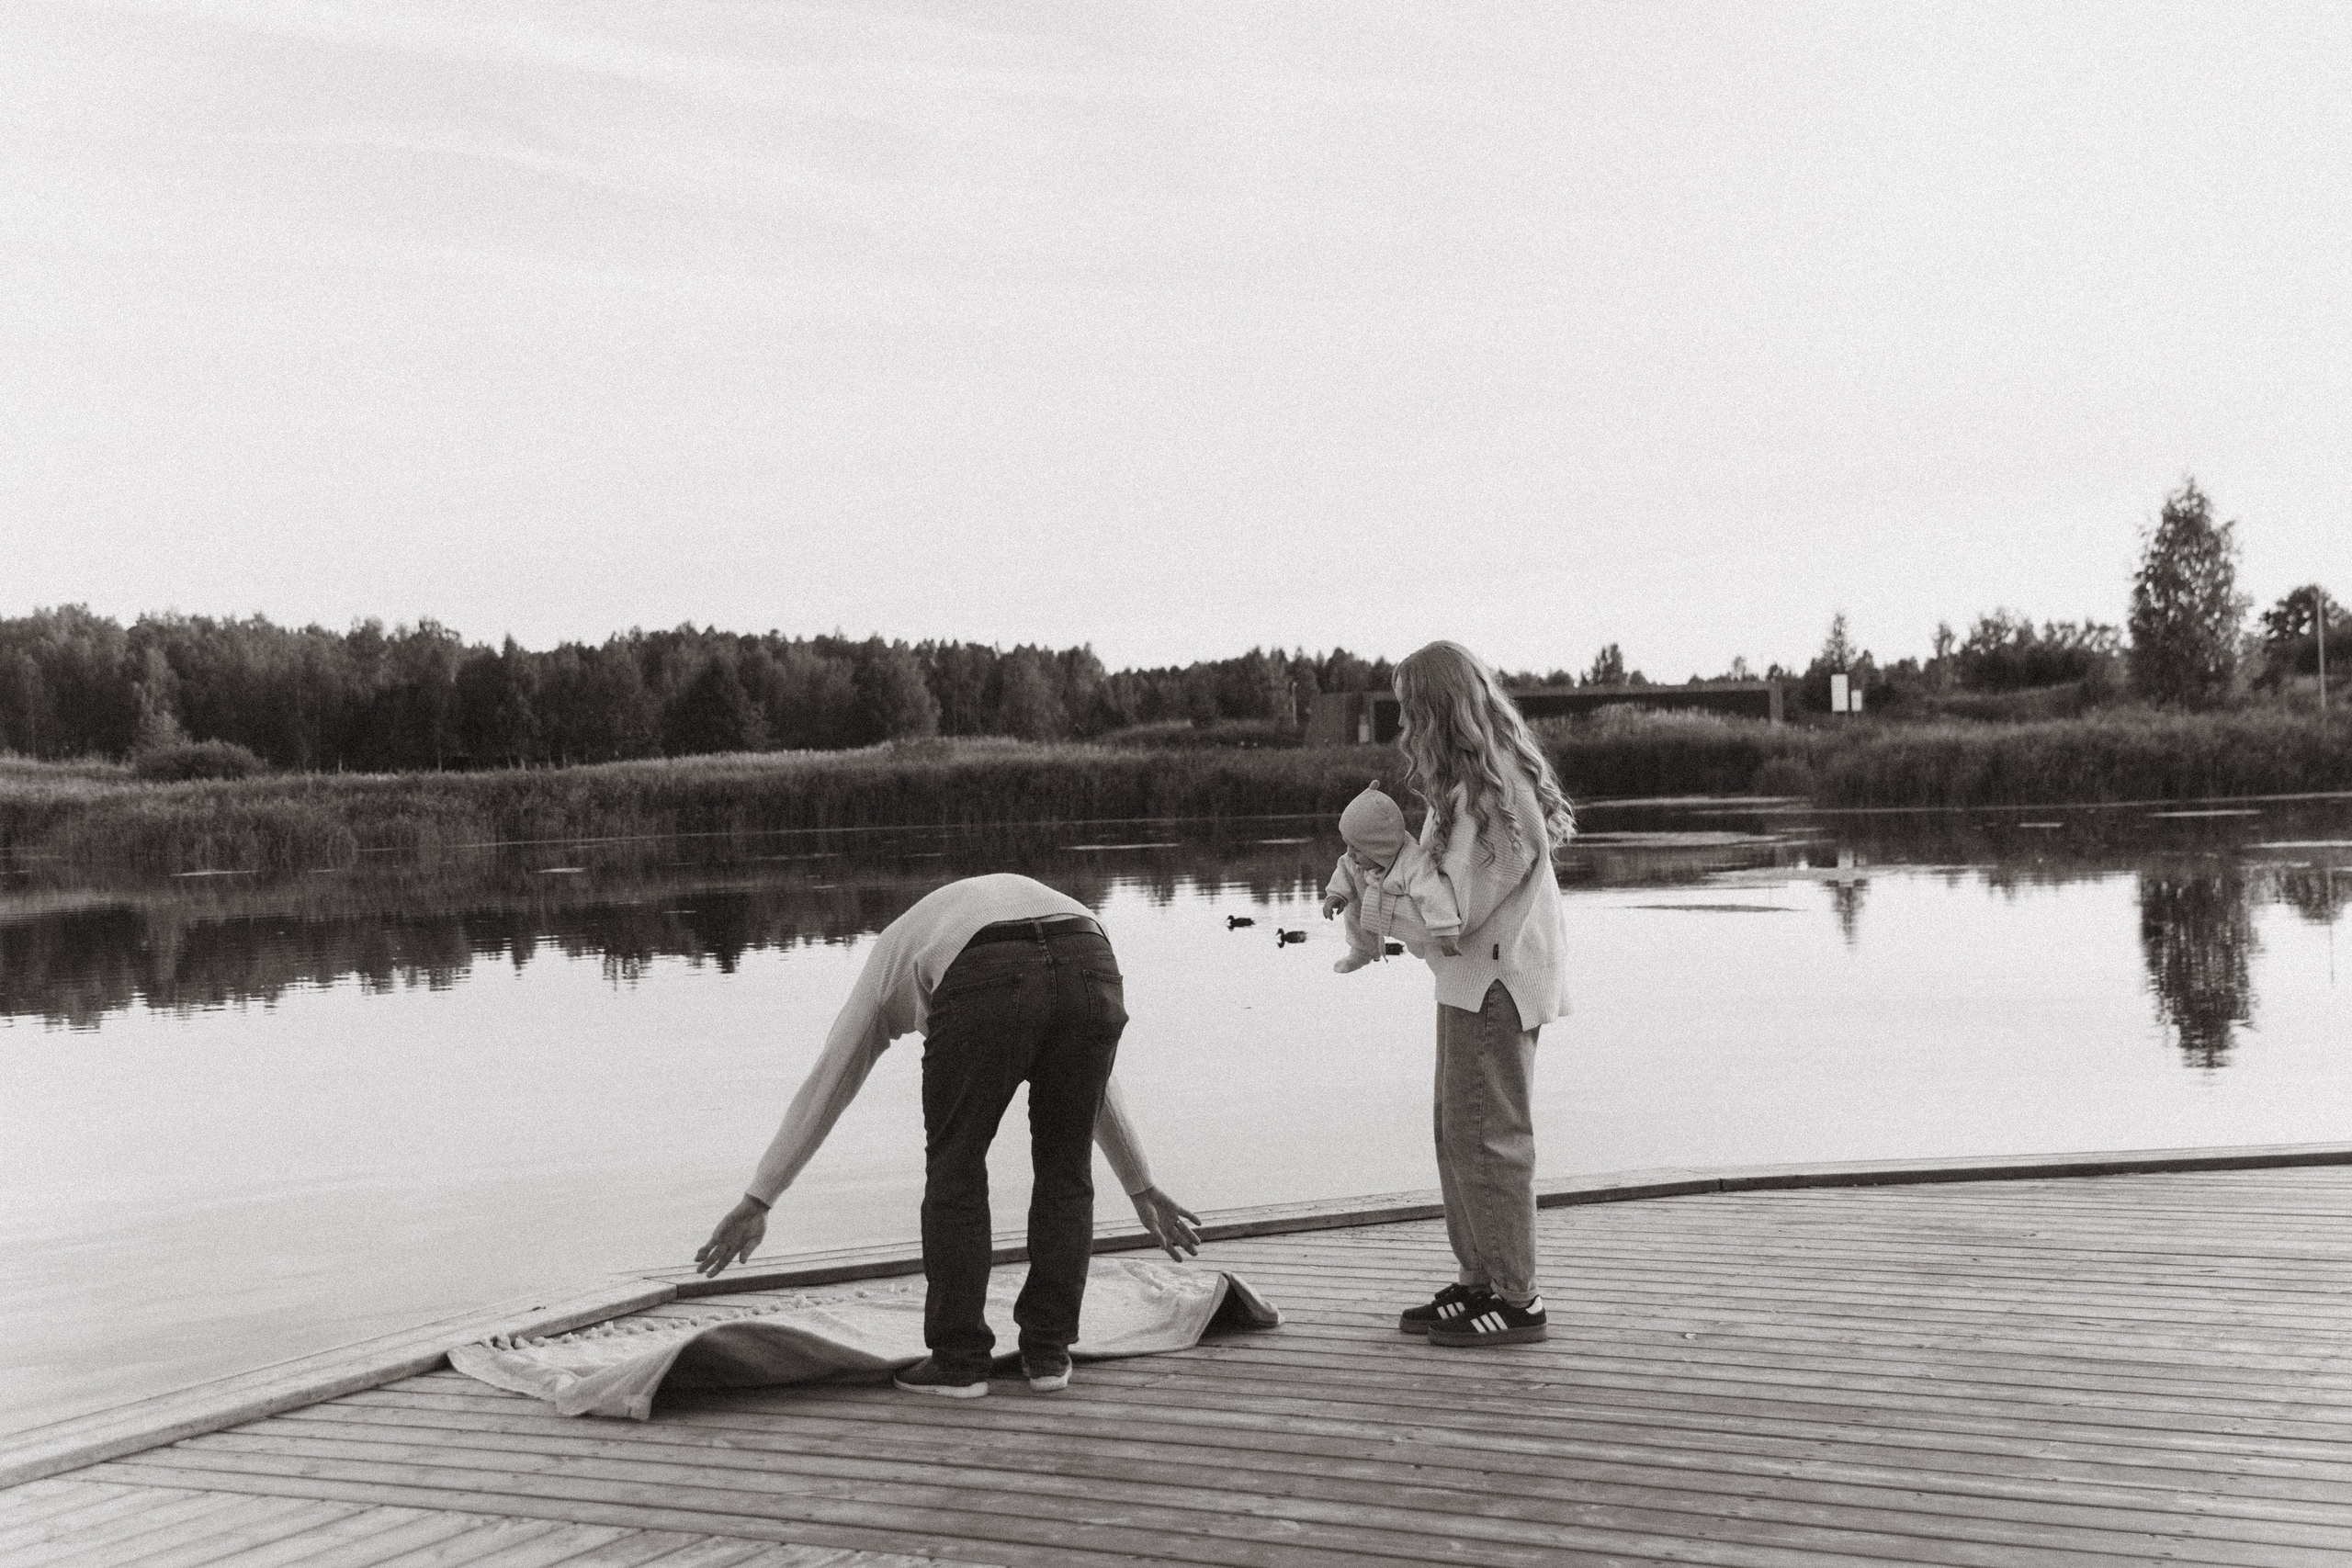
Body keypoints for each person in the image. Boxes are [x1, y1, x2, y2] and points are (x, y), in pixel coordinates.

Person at [694, 873, 1202, 1399]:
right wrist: (1140, 1184)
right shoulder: (962, 917)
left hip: (985, 966)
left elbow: (832, 1079)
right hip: (1087, 951)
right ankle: (1049, 1355)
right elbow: (1097, 1083)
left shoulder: (892, 956)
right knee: (1066, 1167)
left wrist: (759, 1198)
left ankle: (959, 1363)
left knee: (956, 1169)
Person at [1384, 641, 1574, 1348]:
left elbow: (1455, 911)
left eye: (1410, 708)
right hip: (1469, 980)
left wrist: (1387, 890)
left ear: (1438, 710)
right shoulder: (1464, 788)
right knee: (1457, 1130)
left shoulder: (1493, 792)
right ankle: (1480, 1280)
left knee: (1492, 1137)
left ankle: (1518, 1297)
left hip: (1499, 983)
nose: (1404, 724)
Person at [1320, 782, 1462, 972]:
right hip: (1379, 906)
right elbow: (1344, 868)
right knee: (1352, 903)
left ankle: (1436, 939)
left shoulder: (1412, 862)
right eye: (1348, 844)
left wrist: (1445, 930)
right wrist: (1335, 895)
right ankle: (1362, 950)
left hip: (1419, 935)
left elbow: (1432, 894)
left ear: (1378, 847)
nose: (1350, 853)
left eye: (1356, 848)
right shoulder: (1356, 860)